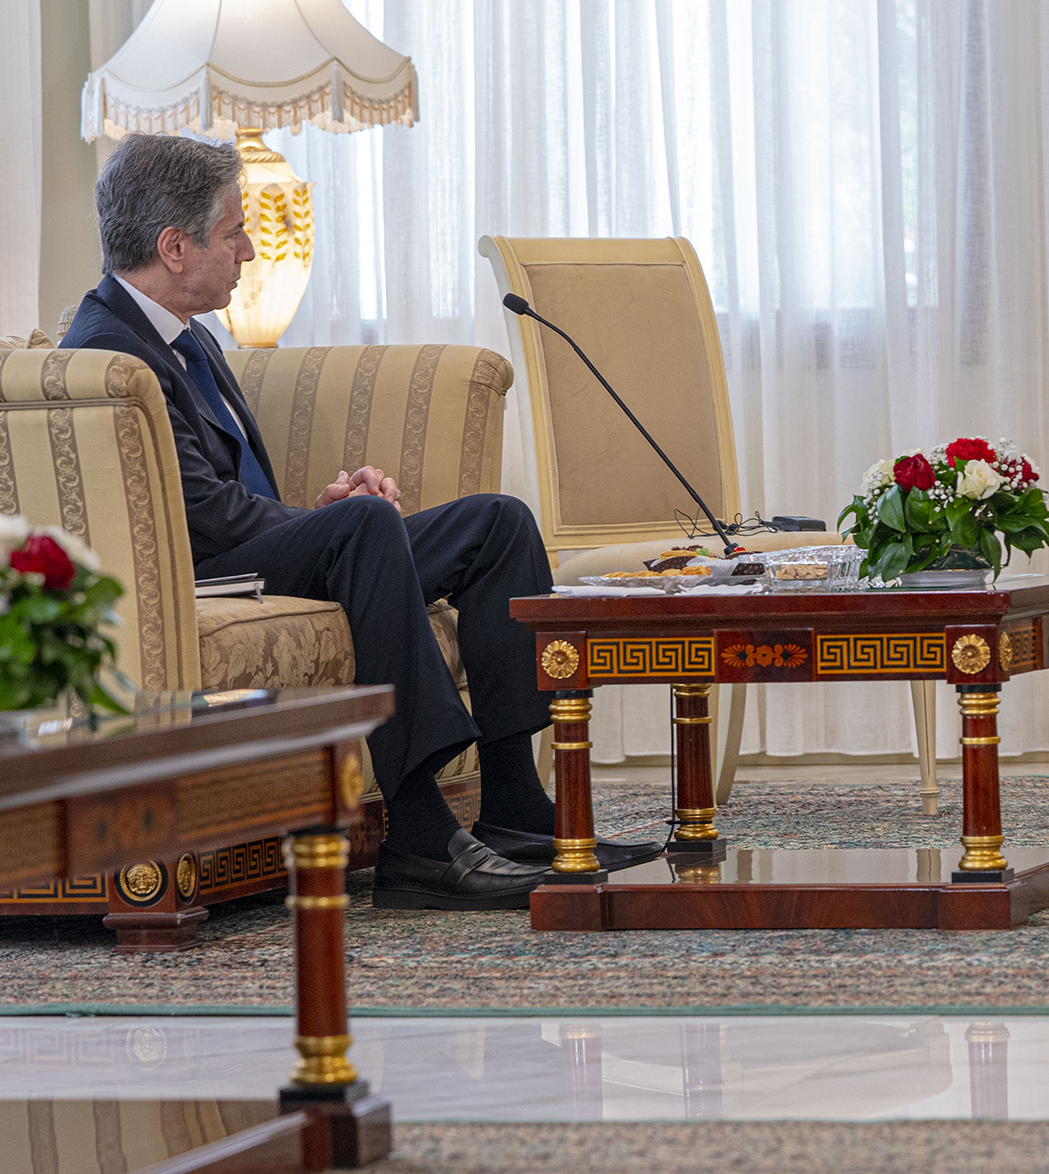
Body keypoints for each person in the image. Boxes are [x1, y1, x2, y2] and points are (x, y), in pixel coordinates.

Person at [61, 133, 660, 905]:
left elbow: (219, 488)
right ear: (174, 247)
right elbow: (202, 517)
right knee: (368, 529)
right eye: (233, 232)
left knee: (498, 525)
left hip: (242, 549)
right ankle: (419, 835)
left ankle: (512, 803)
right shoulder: (110, 350)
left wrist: (322, 513)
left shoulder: (189, 339)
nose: (247, 251)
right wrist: (330, 527)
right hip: (190, 577)